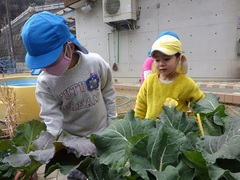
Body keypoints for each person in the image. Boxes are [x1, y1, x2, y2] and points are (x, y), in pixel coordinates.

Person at [21, 11, 117, 179]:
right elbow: (52, 122)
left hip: (103, 134)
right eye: (41, 65)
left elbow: (107, 92)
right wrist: (34, 159)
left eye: (50, 62)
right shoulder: (44, 83)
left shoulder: (95, 63)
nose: (46, 69)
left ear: (69, 48)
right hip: (73, 144)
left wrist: (113, 125)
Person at [135, 33, 204, 120]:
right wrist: (137, 125)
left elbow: (202, 105)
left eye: (167, 59)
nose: (161, 64)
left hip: (175, 132)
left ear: (178, 59)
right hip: (150, 132)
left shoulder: (187, 84)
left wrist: (193, 123)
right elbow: (140, 107)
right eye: (157, 60)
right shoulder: (149, 81)